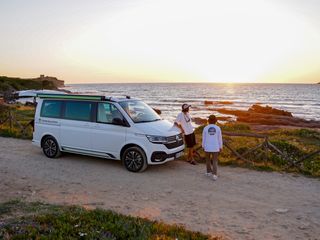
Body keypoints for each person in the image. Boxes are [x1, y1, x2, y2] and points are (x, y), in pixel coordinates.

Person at [202, 115, 223, 181]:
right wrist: (220, 146)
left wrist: (203, 146)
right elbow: (220, 138)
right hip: (215, 147)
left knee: (207, 160)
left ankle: (208, 172)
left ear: (209, 120)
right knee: (215, 161)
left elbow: (203, 138)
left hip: (207, 147)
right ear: (215, 121)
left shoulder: (205, 128)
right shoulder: (218, 128)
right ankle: (214, 174)